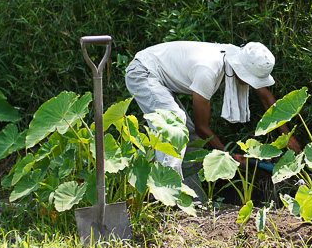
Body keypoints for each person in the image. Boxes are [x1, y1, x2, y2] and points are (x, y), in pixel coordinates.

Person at [124, 41, 300, 191]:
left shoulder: (240, 58)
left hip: (158, 75)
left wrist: (288, 138)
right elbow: (203, 128)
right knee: (175, 126)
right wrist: (228, 157)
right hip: (144, 72)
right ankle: (166, 194)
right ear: (241, 70)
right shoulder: (208, 71)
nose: (252, 84)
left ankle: (192, 203)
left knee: (189, 137)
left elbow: (266, 98)